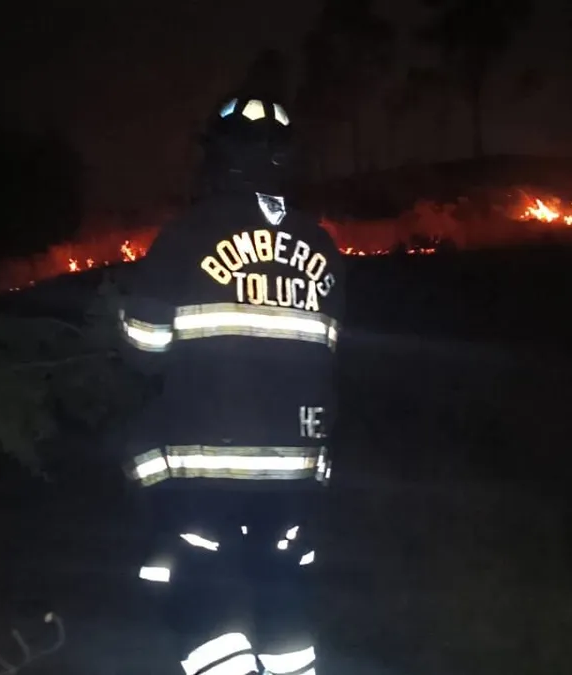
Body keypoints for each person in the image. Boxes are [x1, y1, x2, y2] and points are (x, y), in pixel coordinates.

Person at [116, 76, 344, 675]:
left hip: (204, 469)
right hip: (296, 472)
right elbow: (327, 348)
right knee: (285, 609)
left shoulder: (187, 235)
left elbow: (142, 346)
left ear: (217, 154)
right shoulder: (322, 244)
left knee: (200, 601)